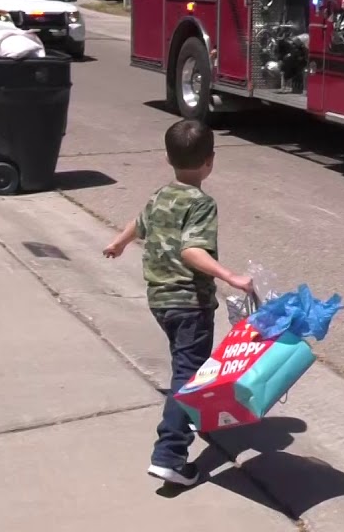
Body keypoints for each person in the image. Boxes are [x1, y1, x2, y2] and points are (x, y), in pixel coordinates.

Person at [103, 119, 255, 486]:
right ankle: (169, 455)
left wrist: (119, 242)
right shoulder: (202, 203)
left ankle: (189, 417)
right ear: (210, 161)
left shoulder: (161, 195)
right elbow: (191, 250)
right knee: (189, 378)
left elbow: (139, 222)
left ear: (168, 159)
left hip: (160, 300)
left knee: (184, 367)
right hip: (189, 303)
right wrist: (231, 276)